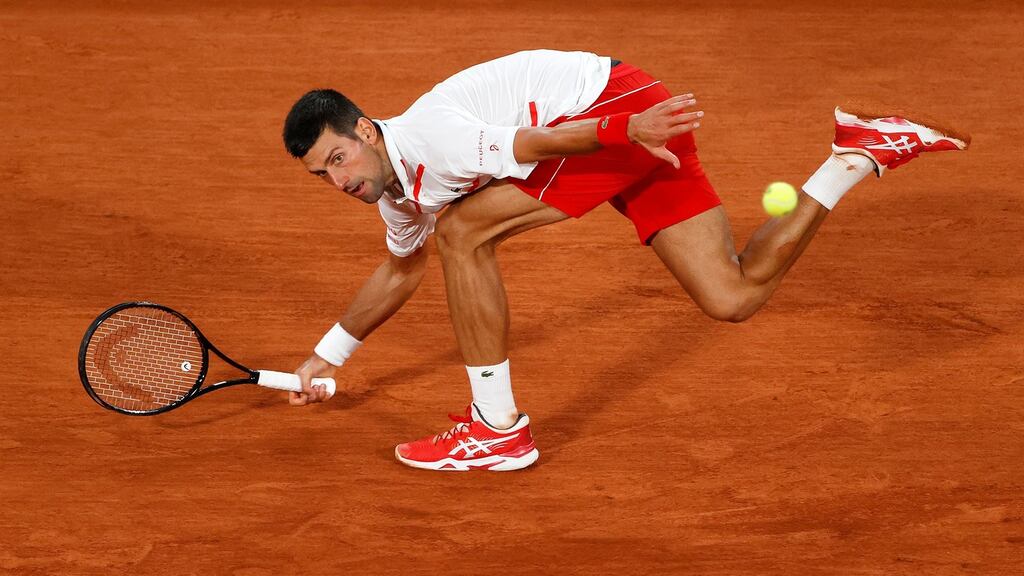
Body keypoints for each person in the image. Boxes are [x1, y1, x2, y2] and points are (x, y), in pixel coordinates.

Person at [280, 50, 968, 471]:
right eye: (322, 176)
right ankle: (856, 156)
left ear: (366, 131)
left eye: (339, 158)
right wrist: (325, 356)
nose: (340, 181)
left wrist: (622, 130)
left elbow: (529, 144)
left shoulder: (433, 139)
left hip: (614, 112)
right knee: (731, 295)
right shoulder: (393, 192)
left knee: (463, 232)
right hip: (632, 107)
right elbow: (402, 269)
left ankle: (496, 431)